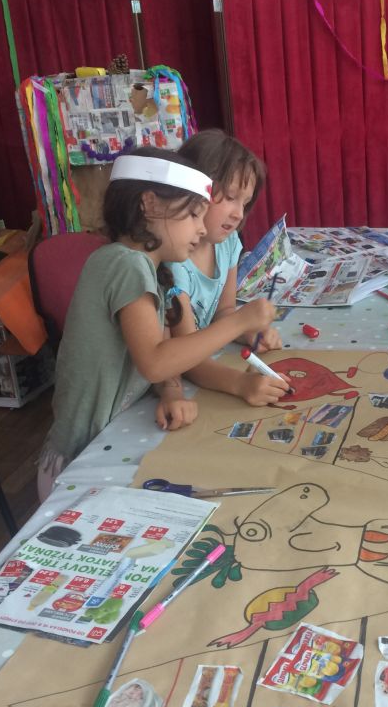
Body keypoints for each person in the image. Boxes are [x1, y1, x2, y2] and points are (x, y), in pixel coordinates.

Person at [37, 147, 278, 500]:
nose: (201, 228)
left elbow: (167, 353)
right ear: (149, 204)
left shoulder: (153, 270)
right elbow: (155, 360)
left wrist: (171, 391)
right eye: (193, 215)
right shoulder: (126, 264)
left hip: (110, 445)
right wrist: (240, 321)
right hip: (78, 464)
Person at [168, 129, 289, 405]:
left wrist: (247, 332)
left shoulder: (227, 243)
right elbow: (185, 360)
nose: (238, 214)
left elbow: (224, 312)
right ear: (192, 193)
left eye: (245, 203)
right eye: (231, 197)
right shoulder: (173, 262)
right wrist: (240, 383)